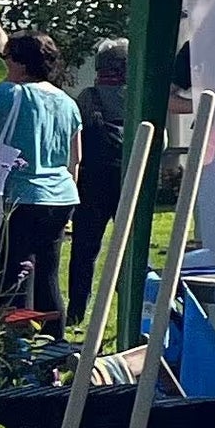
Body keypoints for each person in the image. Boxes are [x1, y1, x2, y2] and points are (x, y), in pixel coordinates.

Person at [0, 32, 85, 321]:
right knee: (47, 275)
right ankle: (55, 347)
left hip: (16, 196)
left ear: (21, 65)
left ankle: (16, 351)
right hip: (60, 196)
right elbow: (75, 159)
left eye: (6, 58)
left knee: (12, 278)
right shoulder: (67, 102)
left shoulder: (5, 93)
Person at [69, 39, 131, 327]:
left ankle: (76, 312)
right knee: (131, 248)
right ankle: (132, 306)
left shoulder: (86, 97)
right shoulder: (136, 96)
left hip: (91, 183)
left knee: (84, 249)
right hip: (128, 180)